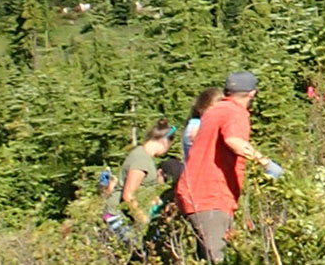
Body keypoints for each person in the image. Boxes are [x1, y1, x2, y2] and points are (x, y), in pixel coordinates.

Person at [178, 71, 286, 262]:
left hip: (194, 195)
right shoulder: (234, 112)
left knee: (204, 258)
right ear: (252, 93)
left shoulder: (214, 111)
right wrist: (266, 164)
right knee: (216, 260)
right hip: (211, 197)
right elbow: (234, 140)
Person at [105, 124, 173, 239]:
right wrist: (142, 219)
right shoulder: (141, 160)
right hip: (117, 216)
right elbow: (128, 195)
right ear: (163, 142)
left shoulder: (142, 155)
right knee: (137, 250)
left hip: (124, 215)